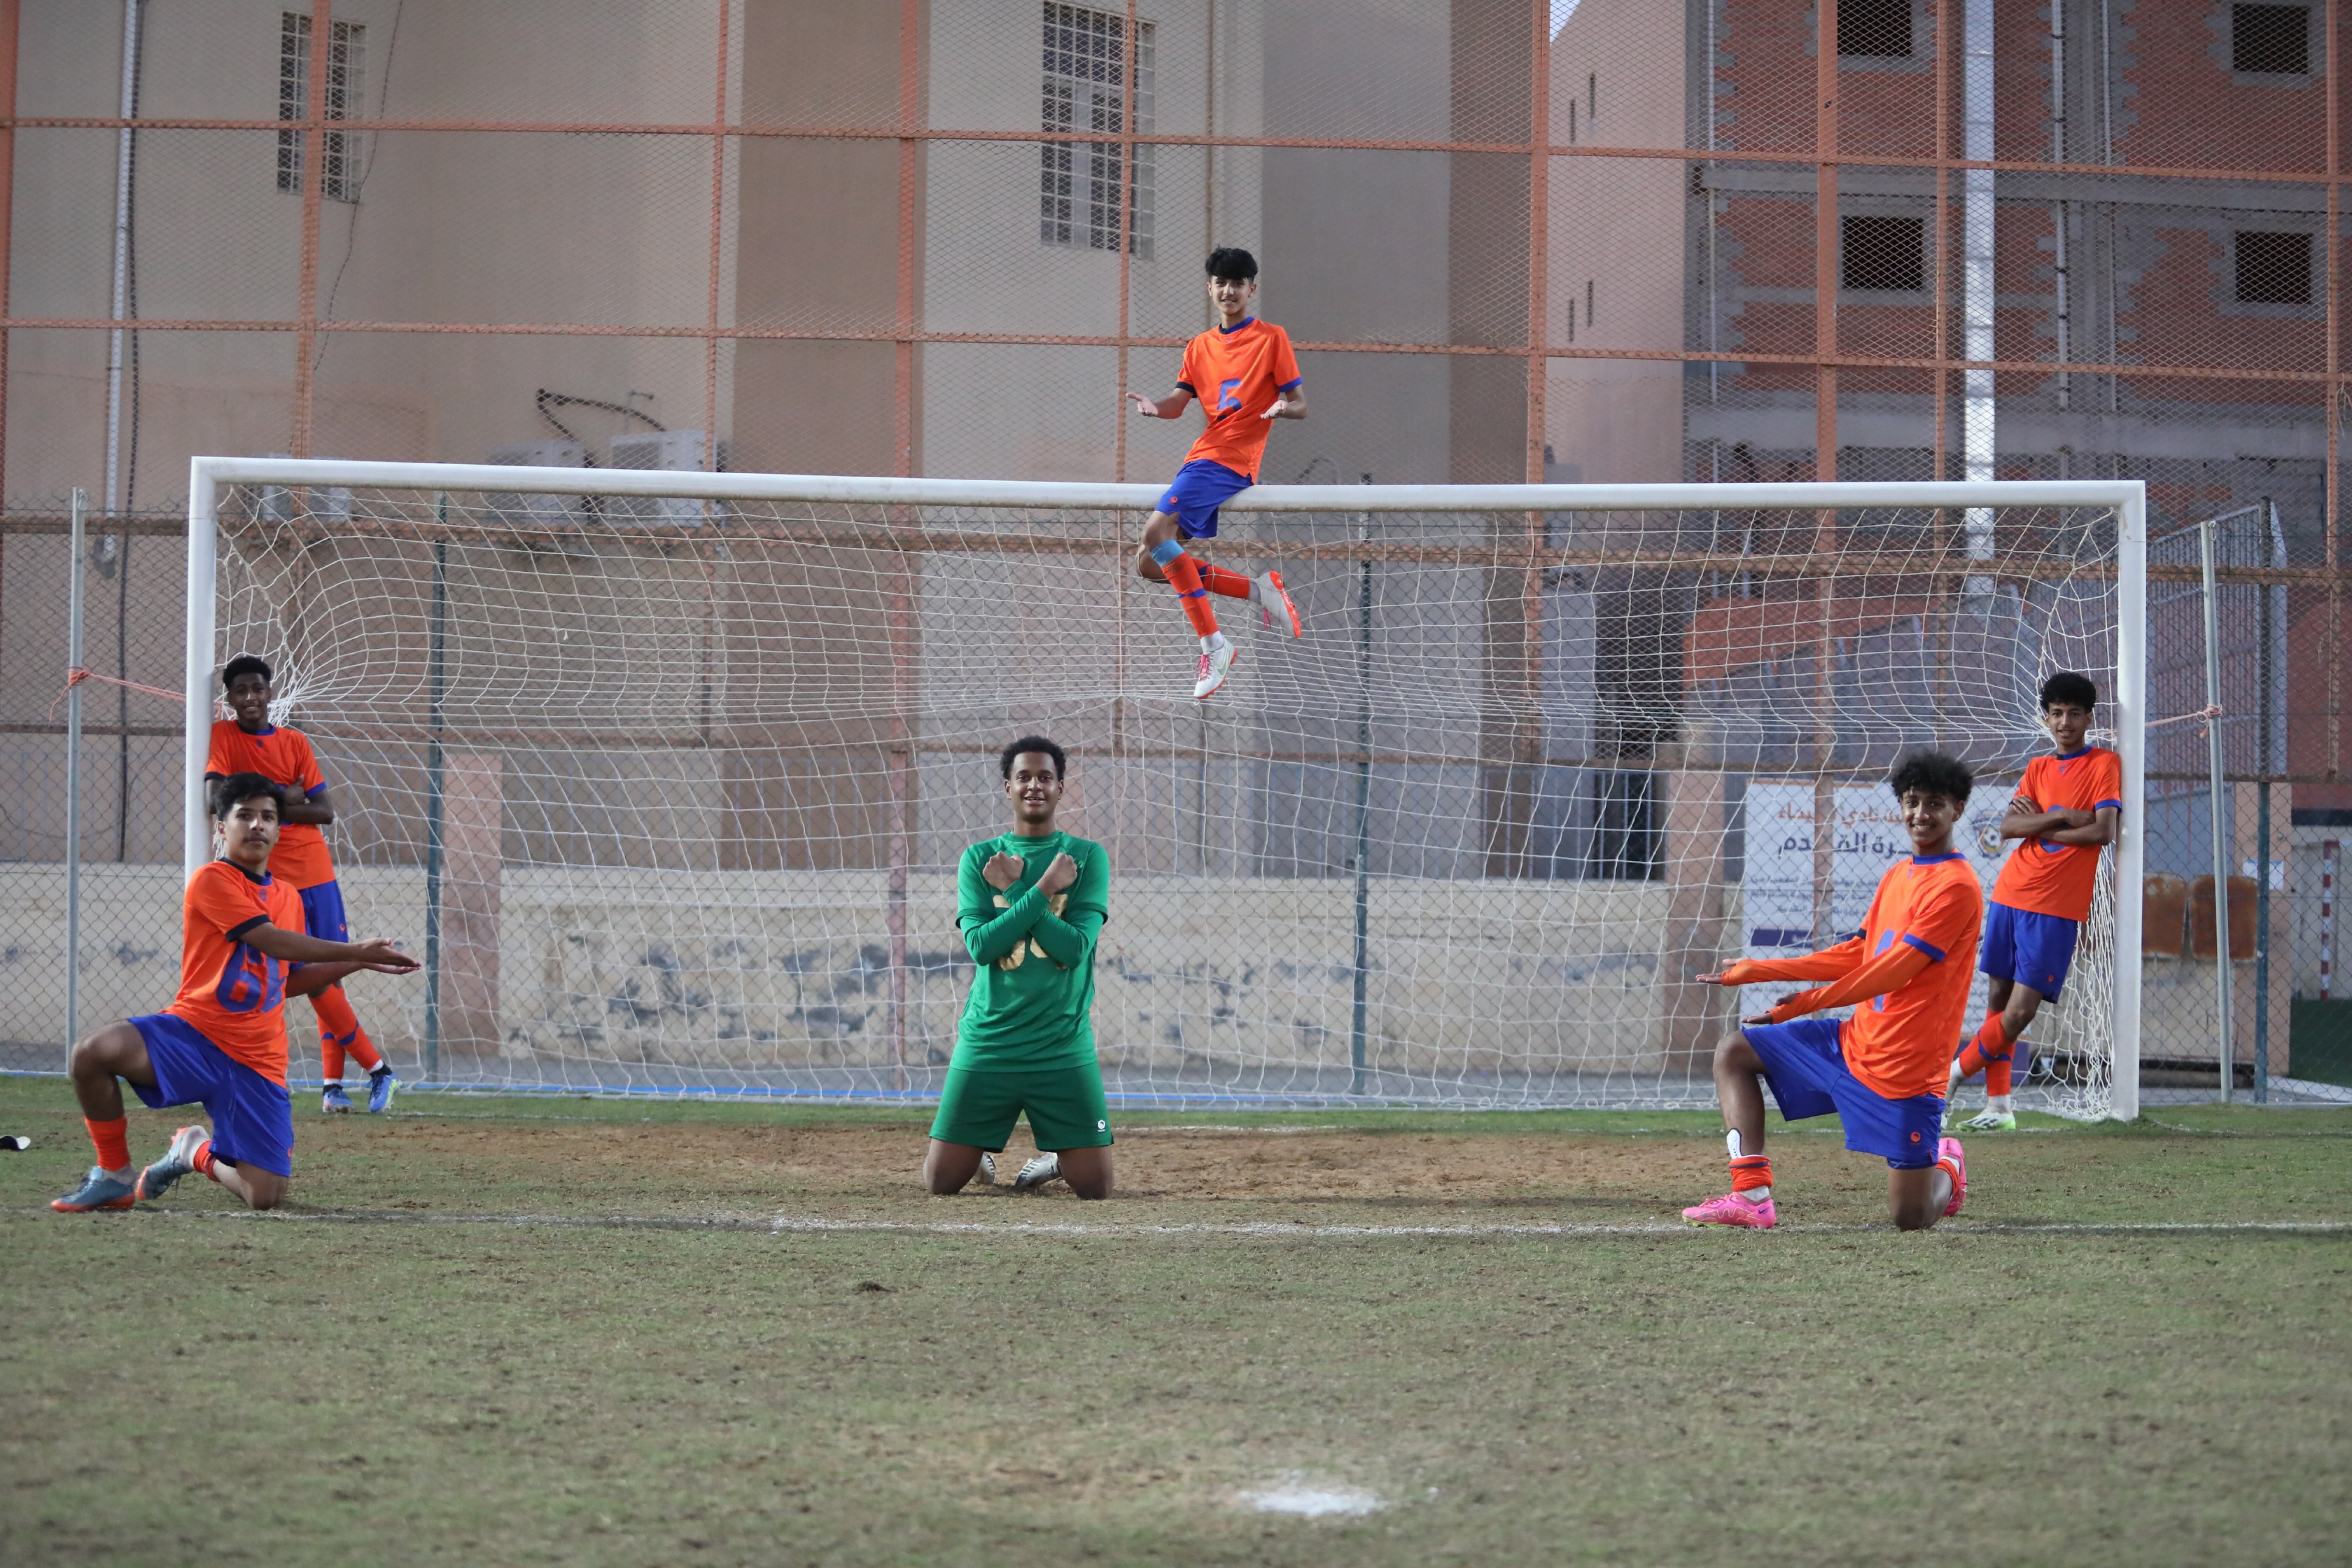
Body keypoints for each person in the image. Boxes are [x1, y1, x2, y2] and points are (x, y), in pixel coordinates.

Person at [52, 773, 421, 1213]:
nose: (257, 826)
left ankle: (192, 1151)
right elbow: (268, 940)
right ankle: (113, 1175)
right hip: (194, 1036)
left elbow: (286, 981)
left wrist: (358, 962)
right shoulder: (212, 880)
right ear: (221, 827)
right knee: (92, 1053)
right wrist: (353, 947)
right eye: (244, 815)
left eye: (268, 817)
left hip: (257, 1060)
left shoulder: (288, 896)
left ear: (280, 830)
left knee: (264, 1197)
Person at [1684, 750, 1983, 1231]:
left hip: (1906, 1073)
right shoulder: (1898, 875)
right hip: (1852, 1043)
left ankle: (1948, 1164)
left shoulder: (1957, 886)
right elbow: (1858, 953)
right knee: (1734, 1052)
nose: (1920, 814)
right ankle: (1752, 1196)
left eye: (1935, 803)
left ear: (1958, 809)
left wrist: (1805, 1003)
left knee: (1912, 1217)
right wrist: (1759, 969)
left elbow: (1895, 971)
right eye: (1911, 801)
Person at [924, 737, 1115, 1199]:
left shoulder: (1086, 857)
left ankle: (1055, 1158)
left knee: (1096, 1187)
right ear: (1007, 788)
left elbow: (1073, 948)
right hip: (991, 1040)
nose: (1035, 785)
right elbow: (983, 947)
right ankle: (979, 1154)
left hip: (1061, 1043)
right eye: (1024, 777)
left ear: (1061, 787)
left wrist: (1018, 887)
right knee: (942, 1183)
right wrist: (1046, 885)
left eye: (1045, 776)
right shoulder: (980, 859)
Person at [207, 654, 398, 1114]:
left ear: (271, 693)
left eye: (258, 688)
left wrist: (262, 800)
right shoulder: (221, 737)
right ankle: (379, 1071)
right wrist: (282, 794)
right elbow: (218, 800)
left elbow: (324, 811)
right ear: (230, 699)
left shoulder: (295, 742)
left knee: (327, 973)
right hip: (268, 879)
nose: (251, 697)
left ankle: (334, 1087)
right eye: (241, 691)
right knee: (300, 977)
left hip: (314, 873)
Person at [1124, 247, 1308, 701]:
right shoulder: (1200, 346)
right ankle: (1260, 591)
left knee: (1154, 531)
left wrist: (1285, 408)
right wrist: (1154, 408)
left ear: (1252, 289)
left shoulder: (1271, 338)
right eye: (1221, 283)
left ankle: (1215, 644)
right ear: (1209, 288)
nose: (1229, 290)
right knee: (1150, 564)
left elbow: (1301, 403)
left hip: (1232, 459)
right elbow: (1177, 402)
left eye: (1238, 283)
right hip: (1203, 454)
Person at [1947, 671, 2121, 1130]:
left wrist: (2040, 822)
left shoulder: (2104, 764)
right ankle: (1999, 1106)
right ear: (2046, 718)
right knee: (1999, 998)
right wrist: (2061, 815)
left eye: (2075, 713)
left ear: (2089, 718)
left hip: (2057, 905)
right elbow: (2007, 828)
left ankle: (1952, 1073)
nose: (2065, 721)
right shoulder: (2038, 769)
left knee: (2022, 1010)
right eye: (2057, 713)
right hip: (2012, 891)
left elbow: (2105, 830)